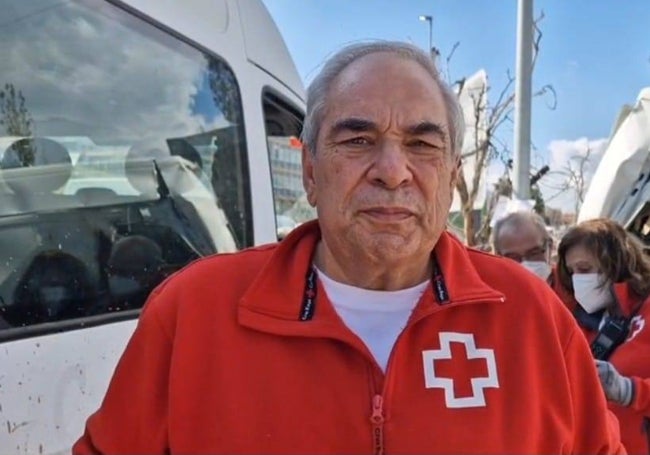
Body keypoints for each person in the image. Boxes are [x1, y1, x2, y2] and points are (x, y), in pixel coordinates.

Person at [74, 41, 623, 454]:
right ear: (311, 171)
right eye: (357, 139)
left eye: (422, 144)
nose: (391, 170)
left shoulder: (532, 319)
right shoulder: (194, 312)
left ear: (452, 174)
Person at [557, 218, 650, 454]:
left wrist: (630, 391)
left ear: (615, 263)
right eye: (572, 271)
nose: (578, 279)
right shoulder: (583, 323)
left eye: (585, 269)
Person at [491, 210, 553, 280]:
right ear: (498, 255)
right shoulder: (490, 288)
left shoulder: (565, 285)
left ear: (549, 247)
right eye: (513, 258)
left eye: (533, 254)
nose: (525, 266)